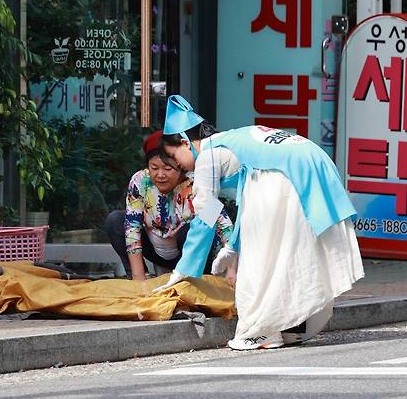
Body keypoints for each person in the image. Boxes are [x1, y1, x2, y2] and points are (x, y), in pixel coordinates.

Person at [153, 94, 365, 350]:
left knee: (261, 258)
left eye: (175, 158)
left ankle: (261, 330)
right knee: (292, 254)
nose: (179, 166)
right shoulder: (232, 139)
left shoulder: (208, 154)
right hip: (308, 164)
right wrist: (232, 247)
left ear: (186, 143)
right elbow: (246, 203)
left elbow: (205, 215)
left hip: (285, 176)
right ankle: (291, 326)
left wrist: (183, 269)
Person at [105, 130, 234, 281]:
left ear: (181, 167)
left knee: (195, 229)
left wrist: (231, 271)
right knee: (115, 221)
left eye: (167, 169)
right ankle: (141, 277)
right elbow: (132, 228)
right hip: (157, 251)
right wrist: (139, 279)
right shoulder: (140, 181)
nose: (160, 175)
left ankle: (194, 280)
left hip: (194, 254)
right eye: (154, 168)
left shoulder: (197, 183)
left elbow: (223, 225)